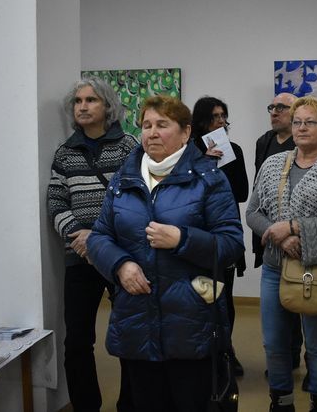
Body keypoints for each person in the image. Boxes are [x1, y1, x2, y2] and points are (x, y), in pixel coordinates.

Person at [87, 95, 244, 411]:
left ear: (186, 132)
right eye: (146, 125)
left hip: (191, 324)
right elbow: (99, 237)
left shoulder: (209, 180)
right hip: (137, 323)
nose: (152, 133)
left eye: (162, 124)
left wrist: (182, 239)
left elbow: (231, 244)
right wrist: (120, 265)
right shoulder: (123, 179)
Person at [247, 96, 317, 412]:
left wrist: (293, 227)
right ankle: (281, 401)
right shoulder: (272, 164)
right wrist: (279, 236)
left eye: (310, 122)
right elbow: (253, 213)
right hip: (274, 266)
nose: (302, 128)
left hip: (316, 268)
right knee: (274, 343)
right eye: (297, 122)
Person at [48, 77, 137, 412]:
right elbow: (56, 202)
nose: (82, 107)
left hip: (121, 257)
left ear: (108, 106)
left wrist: (99, 238)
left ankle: (131, 405)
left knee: (130, 336)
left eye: (91, 100)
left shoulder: (129, 147)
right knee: (77, 342)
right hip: (80, 258)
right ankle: (85, 406)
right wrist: (77, 234)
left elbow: (136, 200)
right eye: (78, 101)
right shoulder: (64, 153)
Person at [191, 95, 249, 376]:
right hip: (196, 233)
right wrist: (204, 163)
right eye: (214, 116)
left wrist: (221, 165)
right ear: (201, 120)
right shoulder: (188, 151)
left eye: (223, 116)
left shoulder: (233, 149)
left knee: (225, 298)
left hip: (224, 231)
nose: (220, 121)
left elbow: (242, 193)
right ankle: (203, 352)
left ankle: (226, 350)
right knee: (201, 295)